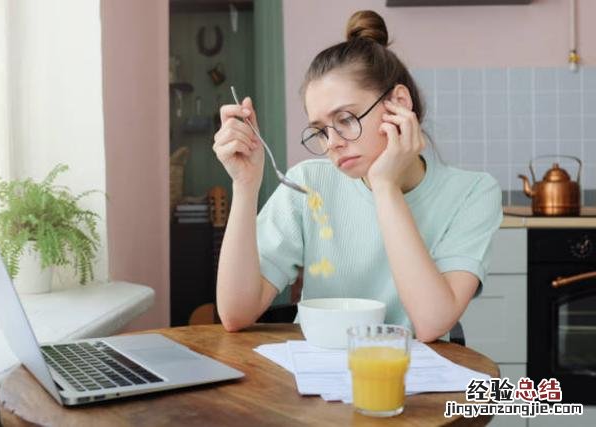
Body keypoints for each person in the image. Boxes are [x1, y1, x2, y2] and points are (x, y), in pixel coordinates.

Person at [212, 10, 502, 342]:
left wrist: (385, 186)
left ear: (399, 103)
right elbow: (235, 313)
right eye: (320, 131)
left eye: (347, 119)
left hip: (411, 381)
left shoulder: (473, 193)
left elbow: (431, 322)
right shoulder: (309, 183)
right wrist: (245, 186)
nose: (333, 143)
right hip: (315, 376)